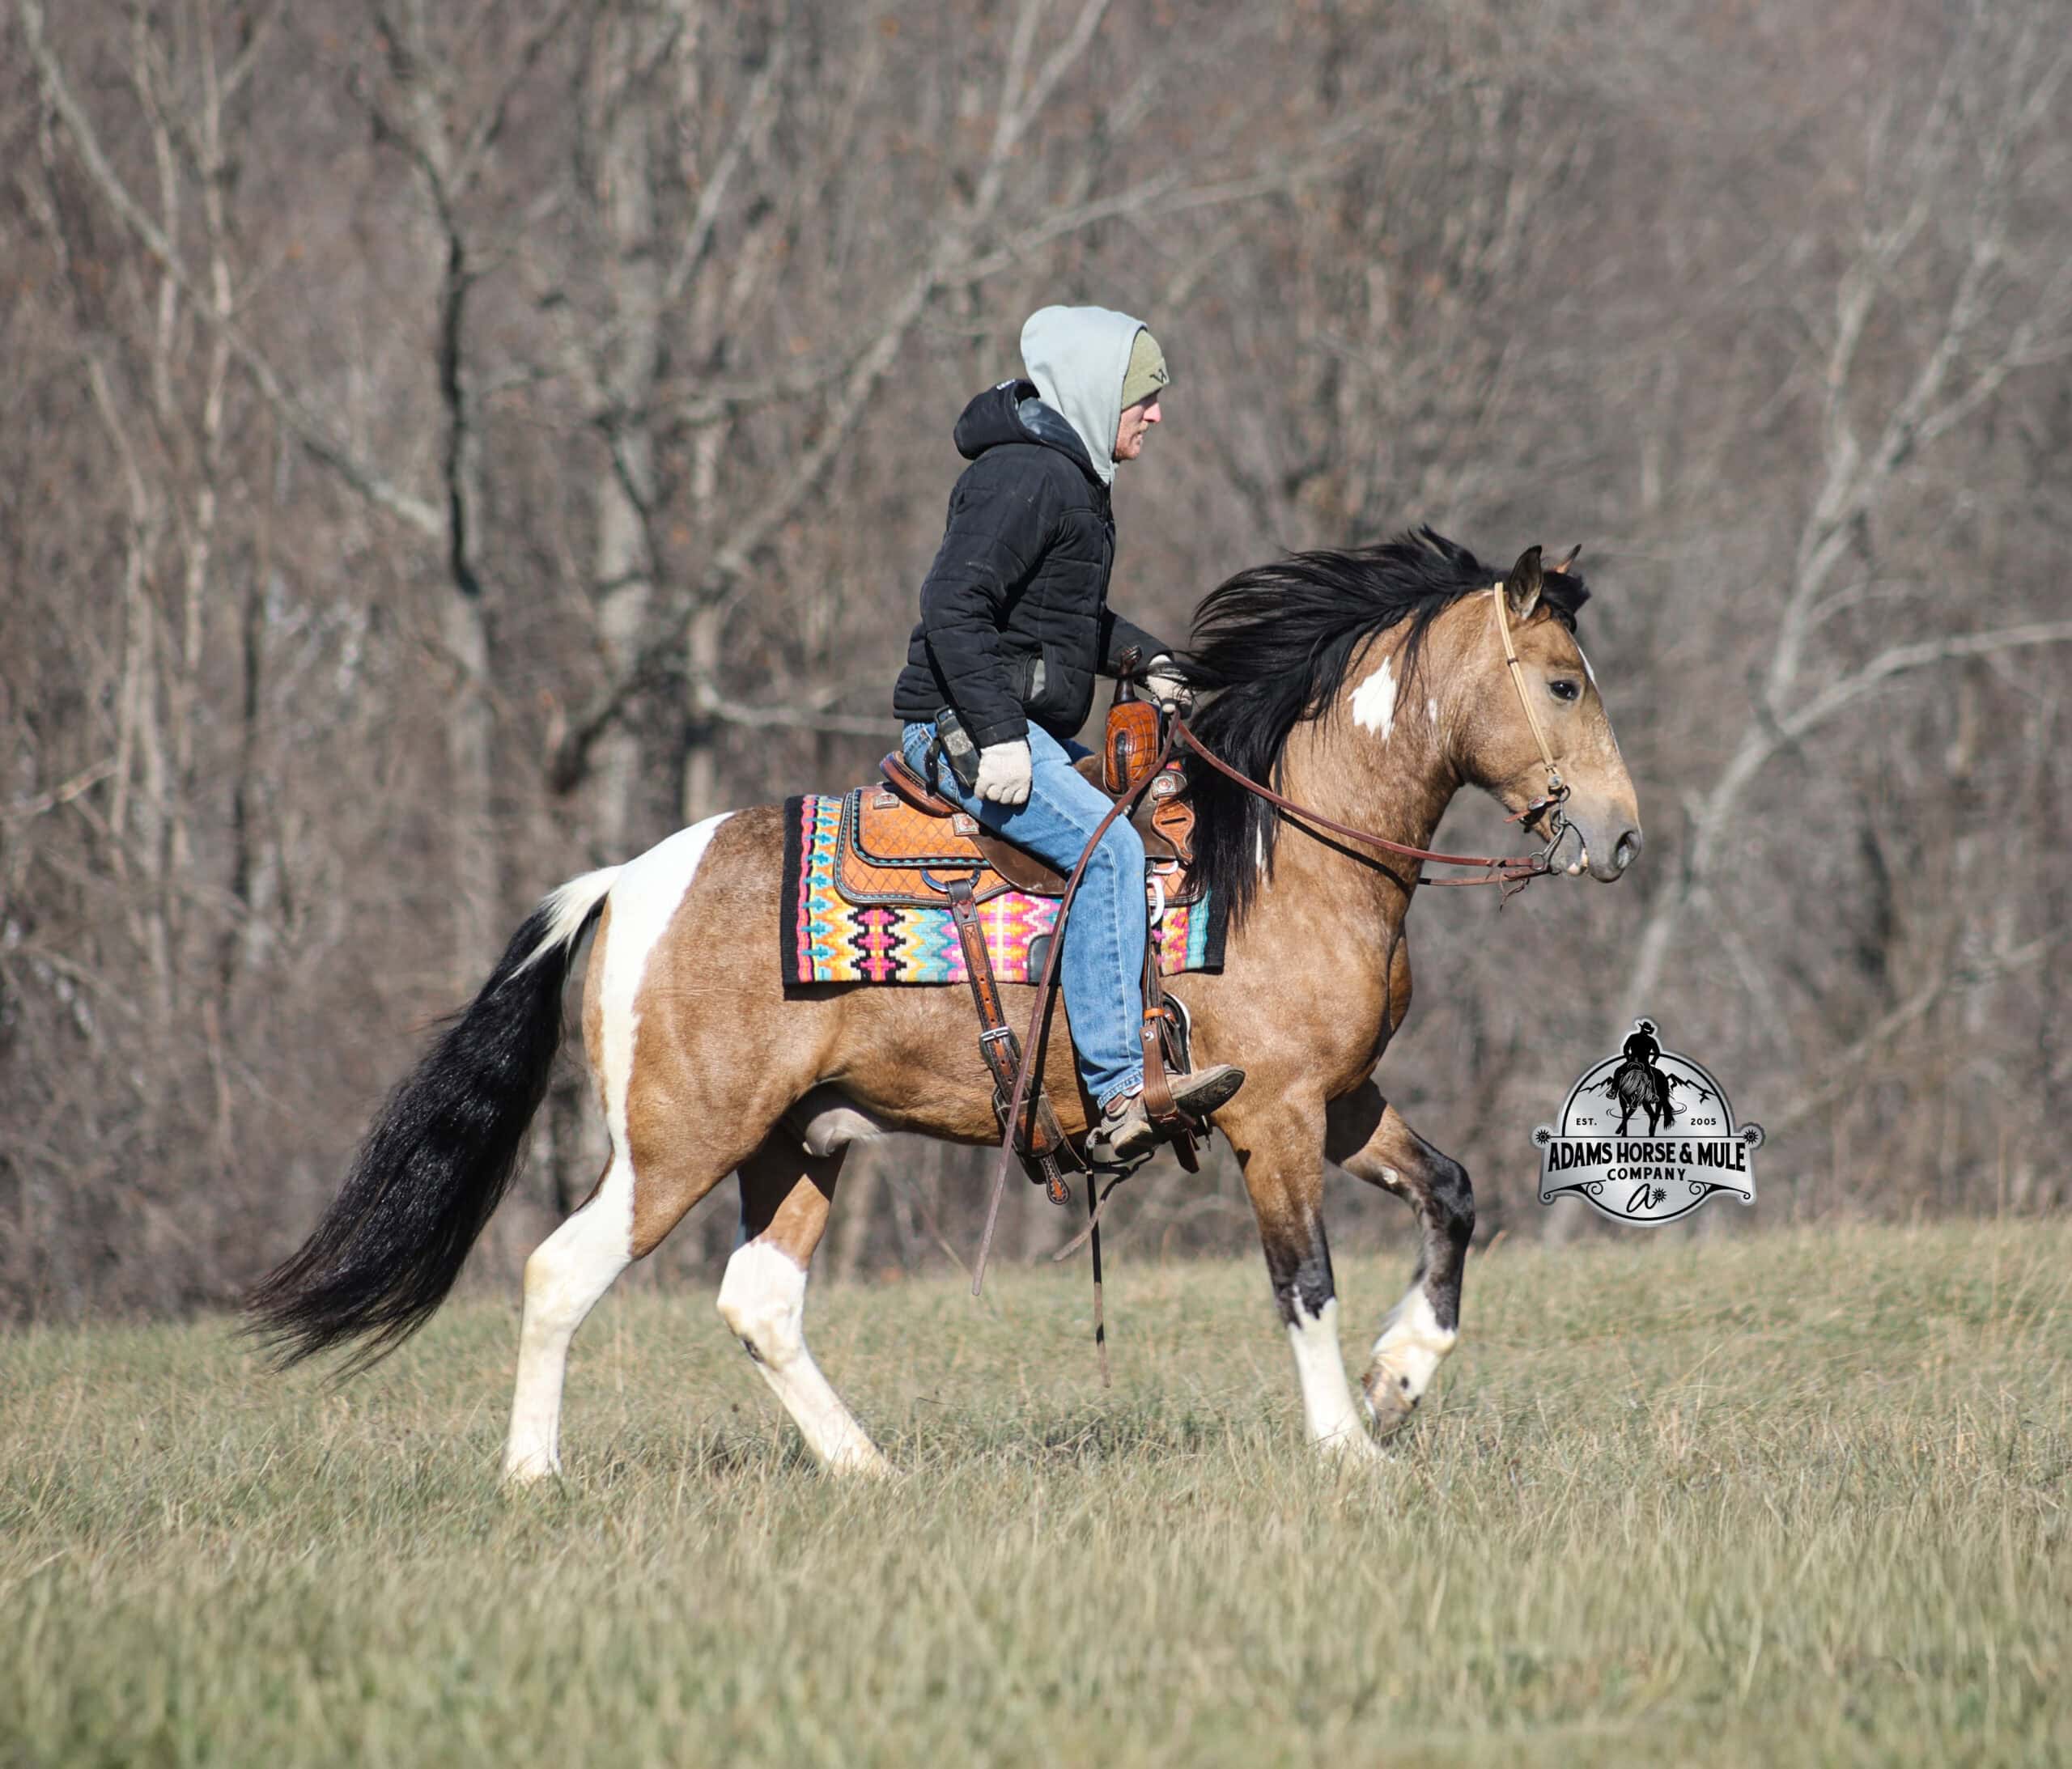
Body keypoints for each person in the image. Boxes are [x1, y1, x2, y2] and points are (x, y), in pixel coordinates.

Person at [893, 304, 1244, 1161]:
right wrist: (996, 733)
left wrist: (1145, 657)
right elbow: (952, 604)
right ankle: (1121, 1093)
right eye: (1143, 396)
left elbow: (1057, 619)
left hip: (1008, 726)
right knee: (1110, 852)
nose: (1157, 414)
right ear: (1095, 392)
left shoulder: (1070, 478)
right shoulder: (1030, 477)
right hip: (961, 731)